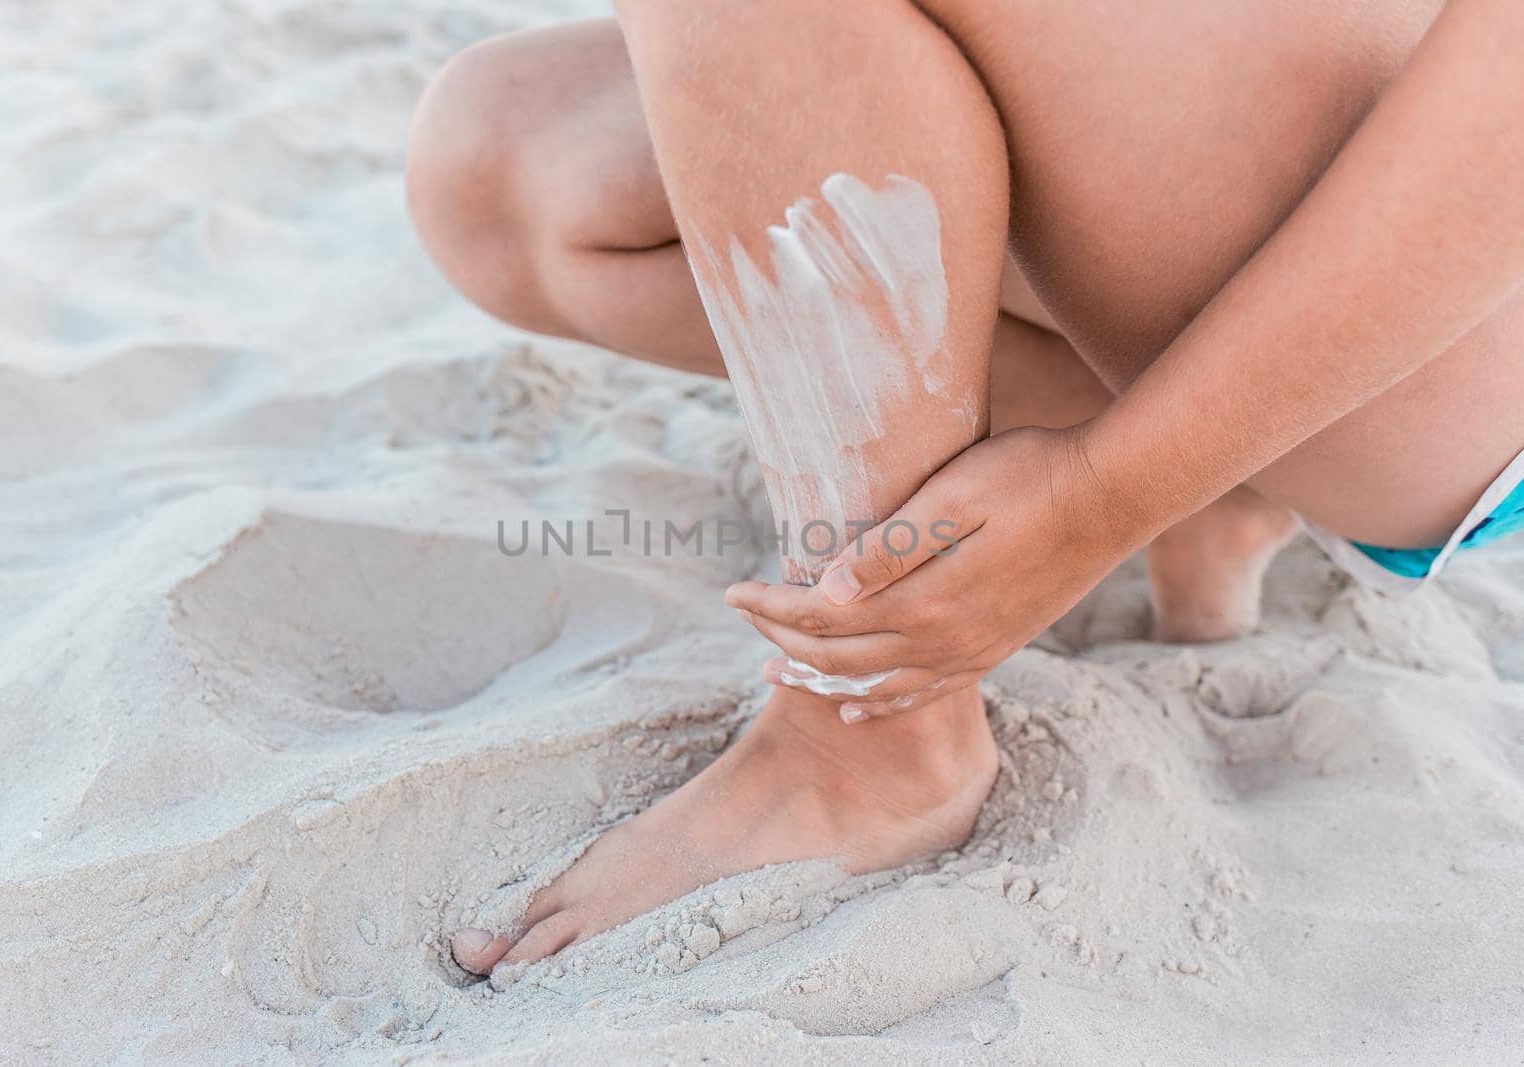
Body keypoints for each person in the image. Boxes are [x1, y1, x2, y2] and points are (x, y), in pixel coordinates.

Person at [404, 0, 1524, 973]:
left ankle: (872, 734)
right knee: (497, 162)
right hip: (1319, 232)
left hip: (1459, 325)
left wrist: (1109, 492)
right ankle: (1226, 480)